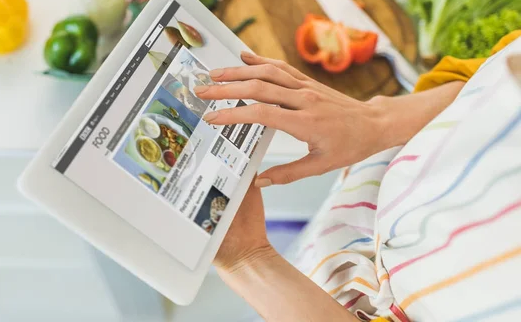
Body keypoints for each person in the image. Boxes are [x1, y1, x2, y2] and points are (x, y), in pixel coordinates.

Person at [194, 32, 521, 321]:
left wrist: (249, 261)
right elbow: (496, 67)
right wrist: (379, 120)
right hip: (339, 225)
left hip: (290, 295)